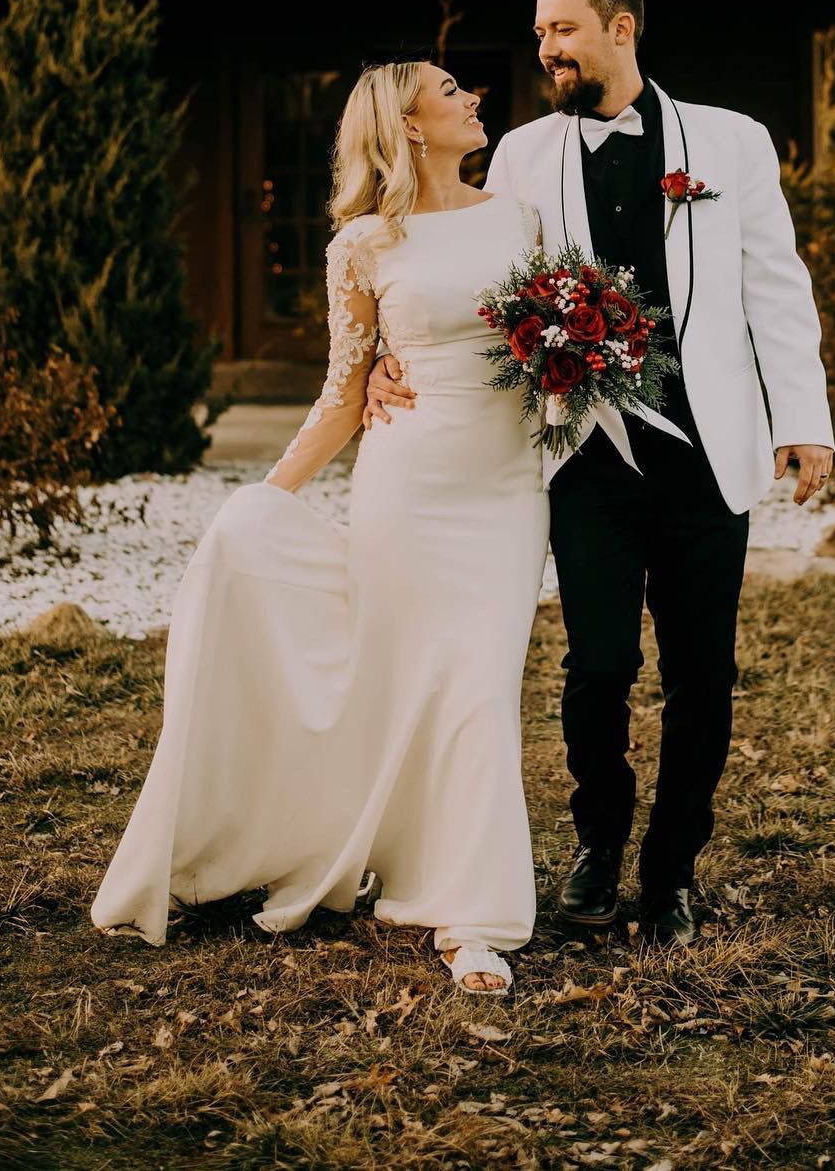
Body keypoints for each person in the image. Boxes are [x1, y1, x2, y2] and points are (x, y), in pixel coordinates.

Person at [364, 0, 835, 946]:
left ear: (621, 29)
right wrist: (381, 356)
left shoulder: (730, 143)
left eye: (562, 30)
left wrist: (804, 418)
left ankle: (671, 869)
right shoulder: (526, 153)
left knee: (704, 671)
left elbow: (774, 283)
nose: (547, 48)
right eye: (540, 32)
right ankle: (598, 842)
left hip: (708, 452)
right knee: (598, 666)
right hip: (586, 456)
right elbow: (462, 259)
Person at [91, 60, 549, 998]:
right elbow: (344, 394)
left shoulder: (521, 217)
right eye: (451, 88)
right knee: (414, 684)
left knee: (482, 682)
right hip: (408, 485)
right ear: (410, 125)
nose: (473, 98)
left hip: (506, 489)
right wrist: (265, 496)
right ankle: (449, 901)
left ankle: (464, 906)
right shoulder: (363, 245)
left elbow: (551, 343)